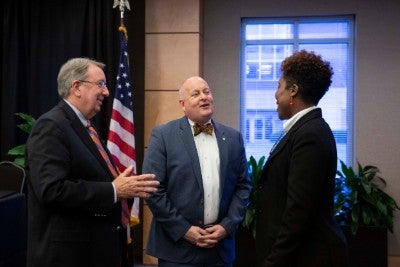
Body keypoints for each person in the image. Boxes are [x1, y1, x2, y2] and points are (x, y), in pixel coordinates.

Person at [25, 57, 159, 267]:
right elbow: (51, 189)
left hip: (96, 250)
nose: (106, 92)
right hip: (68, 256)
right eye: (101, 84)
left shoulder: (86, 127)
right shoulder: (51, 126)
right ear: (76, 87)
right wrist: (114, 190)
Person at [143, 76, 252, 267]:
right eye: (196, 94)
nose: (204, 97)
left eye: (207, 92)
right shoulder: (163, 136)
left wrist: (226, 227)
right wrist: (184, 230)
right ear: (183, 105)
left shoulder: (234, 138)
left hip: (219, 250)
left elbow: (243, 186)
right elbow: (153, 190)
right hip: (176, 250)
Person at [255, 50, 349, 266]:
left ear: (293, 91)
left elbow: (299, 212)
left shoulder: (310, 134)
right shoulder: (304, 130)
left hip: (308, 256)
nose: (275, 94)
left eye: (279, 86)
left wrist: (273, 261)